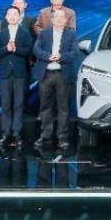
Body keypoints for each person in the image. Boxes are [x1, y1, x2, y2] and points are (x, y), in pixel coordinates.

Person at [33, 8, 78, 151]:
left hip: (62, 75)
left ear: (65, 20)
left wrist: (61, 57)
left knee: (63, 107)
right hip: (46, 74)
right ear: (52, 19)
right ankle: (46, 135)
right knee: (45, 107)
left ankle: (62, 137)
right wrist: (48, 56)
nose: (59, 19)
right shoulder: (44, 33)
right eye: (56, 17)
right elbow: (36, 50)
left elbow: (75, 53)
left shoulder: (71, 34)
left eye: (61, 17)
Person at [0, 5, 33, 148]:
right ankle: (5, 133)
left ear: (19, 17)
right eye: (9, 14)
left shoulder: (25, 32)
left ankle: (17, 133)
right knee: (5, 105)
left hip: (20, 74)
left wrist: (16, 49)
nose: (12, 17)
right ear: (6, 17)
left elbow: (28, 50)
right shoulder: (1, 34)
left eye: (14, 14)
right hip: (5, 74)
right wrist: (7, 49)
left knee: (18, 104)